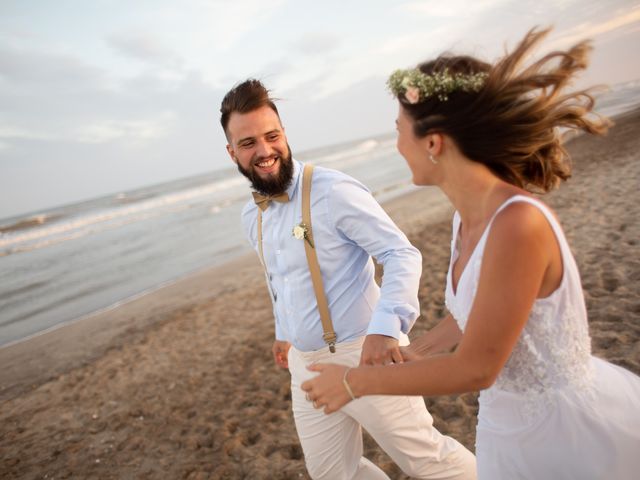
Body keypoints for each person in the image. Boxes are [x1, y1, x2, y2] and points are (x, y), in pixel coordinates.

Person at [301, 27, 640, 479]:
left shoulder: (518, 224)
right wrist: (419, 350)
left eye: (399, 131)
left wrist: (352, 382)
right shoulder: (466, 218)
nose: (397, 144)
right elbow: (478, 313)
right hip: (507, 426)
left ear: (434, 142)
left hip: (564, 434)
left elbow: (477, 367)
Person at [220, 79, 477, 479]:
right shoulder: (250, 216)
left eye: (272, 136)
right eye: (249, 142)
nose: (265, 150)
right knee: (332, 474)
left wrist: (386, 329)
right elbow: (280, 278)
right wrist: (284, 330)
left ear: (284, 134)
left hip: (365, 352)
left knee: (426, 460)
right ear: (232, 151)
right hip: (305, 366)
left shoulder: (332, 190)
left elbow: (401, 253)